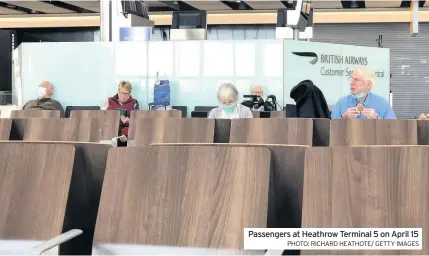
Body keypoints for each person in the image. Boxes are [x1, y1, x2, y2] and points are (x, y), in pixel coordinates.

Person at [331, 66, 396, 119]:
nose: (351, 83)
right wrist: (343, 118)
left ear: (368, 84)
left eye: (356, 80)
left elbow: (393, 128)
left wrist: (376, 119)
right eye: (351, 78)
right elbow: (330, 128)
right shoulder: (341, 102)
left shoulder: (382, 103)